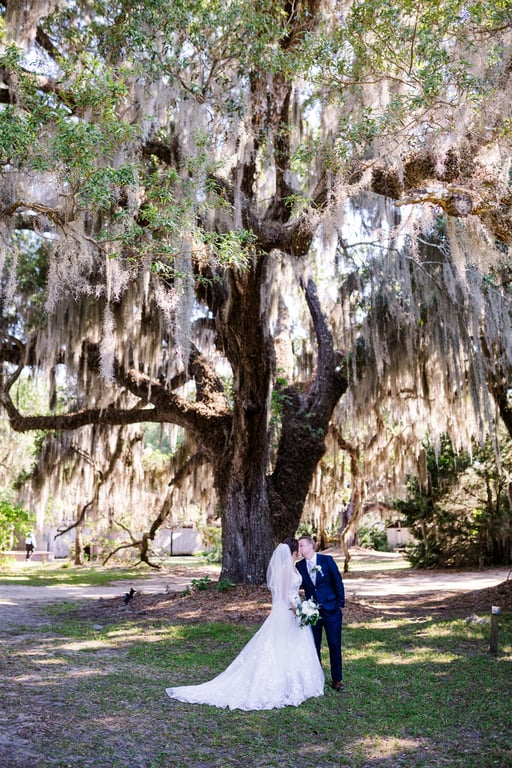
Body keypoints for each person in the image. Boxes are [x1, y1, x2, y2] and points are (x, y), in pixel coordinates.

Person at [166, 539, 324, 710]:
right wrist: (296, 610)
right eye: (299, 546)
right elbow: (284, 594)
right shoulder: (286, 569)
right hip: (287, 611)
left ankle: (296, 683)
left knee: (294, 644)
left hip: (296, 609)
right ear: (293, 550)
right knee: (280, 644)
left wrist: (302, 608)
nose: (301, 549)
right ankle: (279, 684)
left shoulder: (295, 567)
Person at [296, 535, 345, 691]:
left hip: (331, 610)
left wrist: (339, 604)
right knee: (314, 646)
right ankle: (316, 677)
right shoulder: (299, 566)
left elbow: (338, 582)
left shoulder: (327, 560)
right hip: (312, 613)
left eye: (301, 545)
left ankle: (337, 679)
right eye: (298, 546)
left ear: (311, 546)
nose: (299, 548)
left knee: (334, 644)